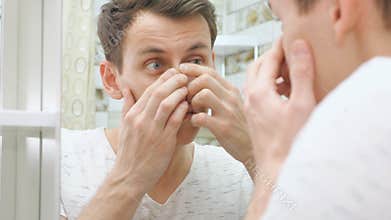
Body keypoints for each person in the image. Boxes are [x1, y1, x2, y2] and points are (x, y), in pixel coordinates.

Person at [60, 0, 254, 220]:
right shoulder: (58, 160)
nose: (181, 82)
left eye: (196, 60)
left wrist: (254, 154)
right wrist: (130, 177)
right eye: (155, 65)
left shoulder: (240, 175)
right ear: (112, 80)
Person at [244, 0, 391, 219]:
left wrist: (274, 160)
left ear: (339, 10)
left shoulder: (359, 119)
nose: (281, 52)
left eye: (282, 22)